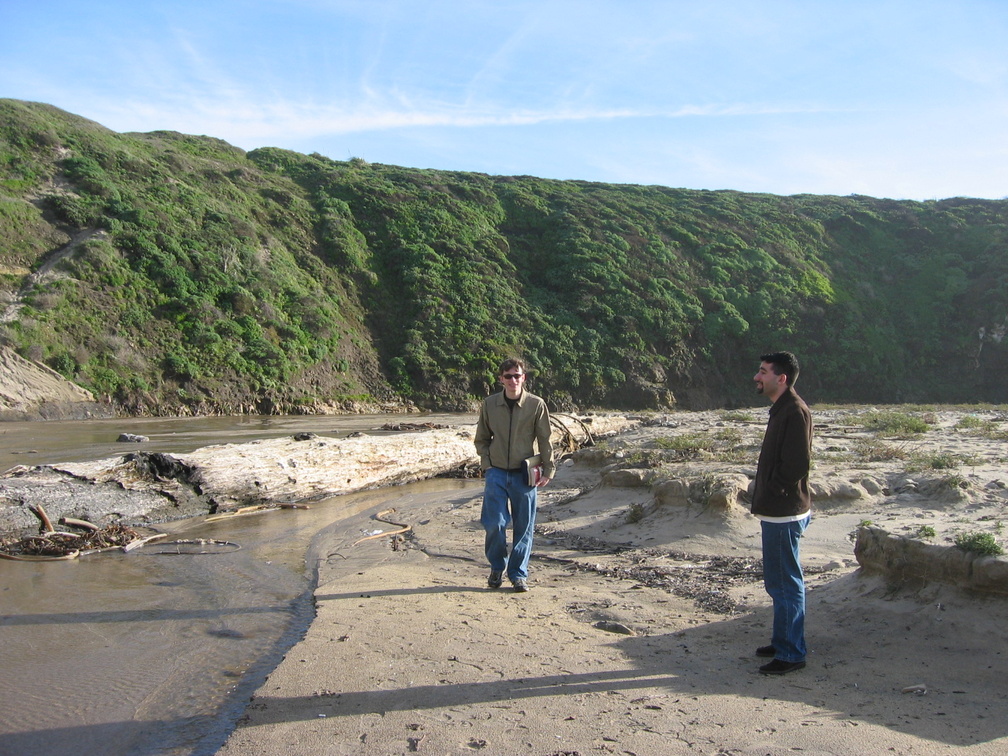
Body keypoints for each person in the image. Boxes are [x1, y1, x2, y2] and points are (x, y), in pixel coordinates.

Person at [751, 351, 813, 675]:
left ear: (781, 378)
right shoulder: (782, 409)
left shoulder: (794, 411)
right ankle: (783, 640)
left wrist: (773, 490)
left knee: (786, 584)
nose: (757, 377)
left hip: (784, 514)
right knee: (778, 583)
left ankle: (791, 654)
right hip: (779, 512)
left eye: (762, 372)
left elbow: (798, 464)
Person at [474, 358, 555, 593]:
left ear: (524, 378)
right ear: (501, 379)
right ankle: (497, 567)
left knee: (524, 527)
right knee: (494, 524)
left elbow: (545, 439)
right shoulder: (489, 405)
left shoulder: (536, 405)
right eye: (507, 376)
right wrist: (487, 464)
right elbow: (481, 439)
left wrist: (548, 469)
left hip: (524, 475)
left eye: (517, 376)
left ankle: (518, 575)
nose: (512, 380)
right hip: (496, 473)